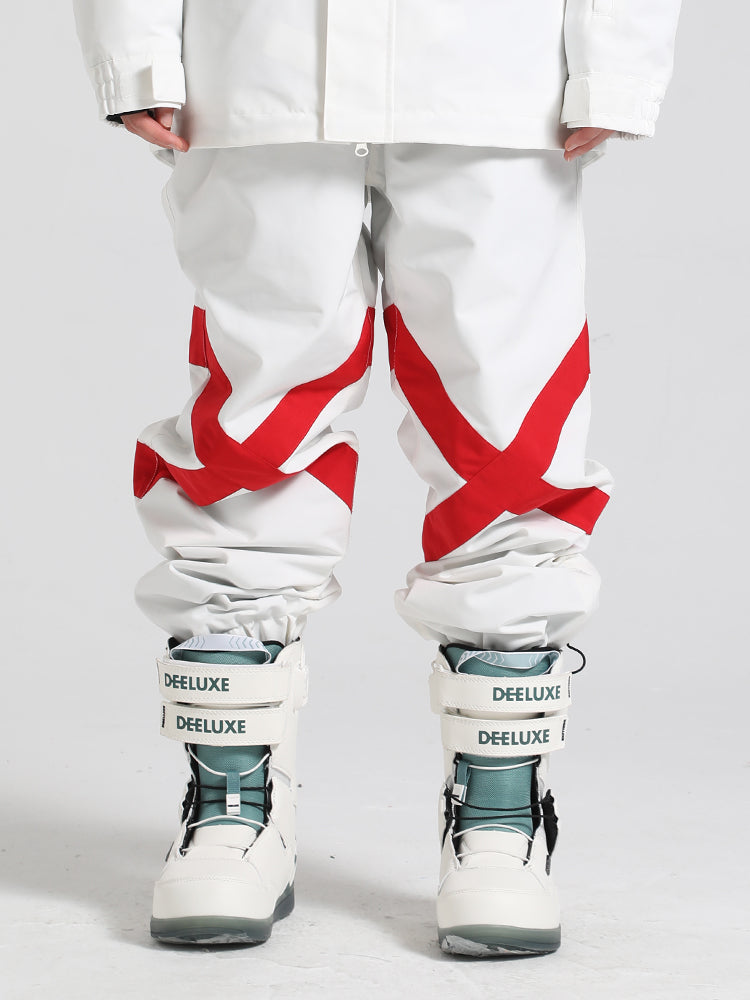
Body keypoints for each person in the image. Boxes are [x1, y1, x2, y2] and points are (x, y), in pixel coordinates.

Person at [72, 1, 682, 956]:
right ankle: (233, 803)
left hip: (496, 68)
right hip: (257, 61)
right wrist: (136, 48)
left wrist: (618, 62)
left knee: (509, 437)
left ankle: (499, 815)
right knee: (251, 425)